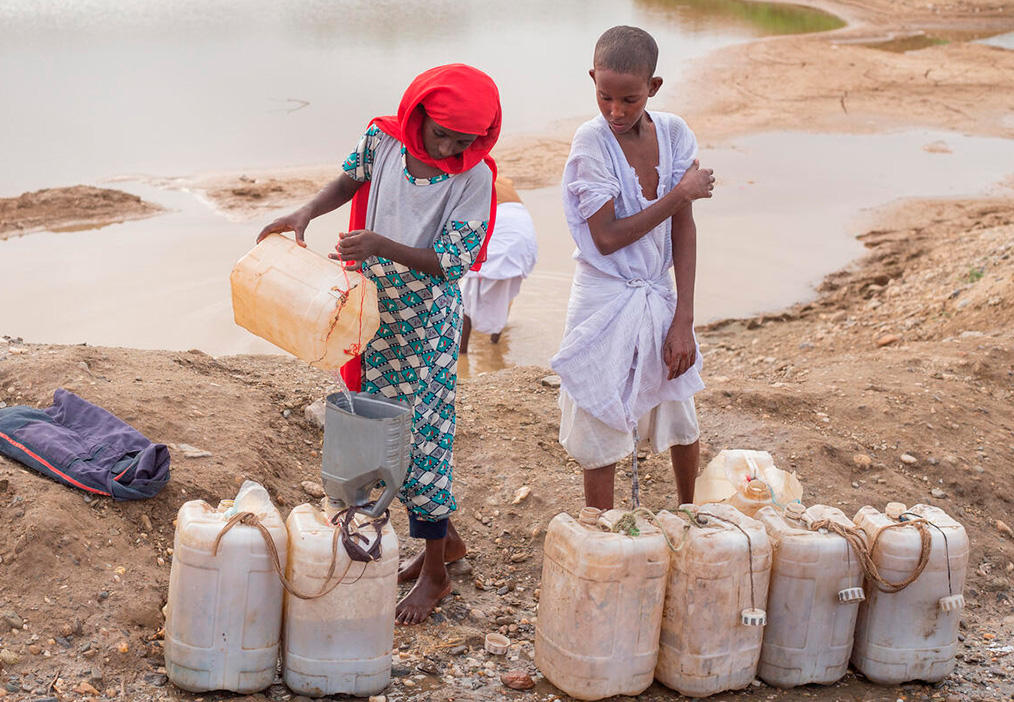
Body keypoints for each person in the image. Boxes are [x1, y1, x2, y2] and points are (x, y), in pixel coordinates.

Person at [257, 64, 501, 625]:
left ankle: (436, 573)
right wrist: (305, 211)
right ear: (419, 114)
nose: (450, 148)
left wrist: (379, 245)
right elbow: (349, 181)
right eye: (441, 134)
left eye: (464, 140)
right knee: (377, 432)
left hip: (427, 327)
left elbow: (451, 262)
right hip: (374, 313)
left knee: (423, 440)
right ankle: (448, 543)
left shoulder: (474, 177)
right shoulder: (384, 140)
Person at [551, 26, 715, 510]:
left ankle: (690, 512)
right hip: (602, 295)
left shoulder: (674, 133)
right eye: (605, 97)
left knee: (679, 409)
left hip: (657, 292)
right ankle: (602, 531)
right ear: (592, 80)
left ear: (654, 87)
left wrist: (683, 319)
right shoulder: (591, 142)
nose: (616, 111)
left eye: (630, 99)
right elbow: (606, 238)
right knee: (598, 420)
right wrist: (680, 193)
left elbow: (683, 231)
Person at [459, 176, 538, 353]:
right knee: (504, 296)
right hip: (522, 239)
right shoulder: (501, 180)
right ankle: (495, 344)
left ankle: (461, 354)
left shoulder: (472, 178)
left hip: (503, 234)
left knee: (466, 298)